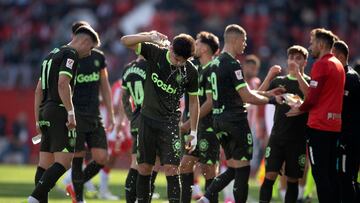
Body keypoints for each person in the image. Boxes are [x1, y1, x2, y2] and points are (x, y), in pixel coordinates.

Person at [197, 24, 284, 203]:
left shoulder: (213, 65)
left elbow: (238, 94)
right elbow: (245, 96)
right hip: (235, 122)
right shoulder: (232, 63)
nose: (245, 45)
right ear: (235, 40)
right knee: (243, 170)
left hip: (218, 121)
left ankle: (205, 199)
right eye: (244, 41)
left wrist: (267, 94)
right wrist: (272, 100)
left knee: (234, 168)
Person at [121, 31, 200, 203]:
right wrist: (149, 36)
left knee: (172, 169)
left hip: (170, 124)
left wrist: (194, 131)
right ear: (170, 48)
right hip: (147, 120)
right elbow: (125, 41)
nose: (178, 63)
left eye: (182, 61)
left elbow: (194, 102)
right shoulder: (155, 53)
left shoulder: (191, 72)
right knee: (144, 168)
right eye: (176, 58)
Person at [29, 24, 100, 203]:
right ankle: (35, 198)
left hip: (45, 111)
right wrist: (70, 112)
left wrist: (38, 120)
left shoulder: (51, 54)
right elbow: (63, 83)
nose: (90, 53)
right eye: (91, 47)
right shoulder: (71, 54)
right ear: (83, 41)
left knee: (44, 164)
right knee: (64, 162)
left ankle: (38, 200)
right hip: (59, 111)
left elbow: (38, 90)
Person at [286, 28, 344, 203]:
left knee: (319, 173)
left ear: (320, 44)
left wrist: (299, 108)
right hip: (334, 126)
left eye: (312, 43)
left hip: (319, 126)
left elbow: (312, 98)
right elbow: (318, 93)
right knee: (330, 173)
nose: (310, 46)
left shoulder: (321, 64)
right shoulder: (338, 64)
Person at [63, 21, 114, 203]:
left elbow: (105, 86)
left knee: (102, 158)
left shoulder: (98, 58)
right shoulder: (68, 58)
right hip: (76, 116)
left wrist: (111, 113)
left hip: (94, 115)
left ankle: (74, 185)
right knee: (78, 159)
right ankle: (79, 198)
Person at [258, 45, 310, 203]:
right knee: (270, 176)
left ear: (305, 62)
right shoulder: (279, 81)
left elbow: (311, 98)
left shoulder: (309, 82)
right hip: (277, 138)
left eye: (298, 58)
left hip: (298, 139)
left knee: (292, 180)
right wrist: (269, 76)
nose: (294, 61)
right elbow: (256, 96)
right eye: (291, 57)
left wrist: (299, 75)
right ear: (287, 60)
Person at [179, 31, 220, 203]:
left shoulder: (213, 69)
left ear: (204, 48)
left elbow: (210, 102)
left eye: (197, 42)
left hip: (208, 127)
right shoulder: (194, 68)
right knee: (185, 166)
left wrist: (188, 123)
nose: (194, 45)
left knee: (209, 170)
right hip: (194, 127)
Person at [121, 55, 161, 203]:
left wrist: (131, 117)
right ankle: (144, 199)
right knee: (153, 164)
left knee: (135, 163)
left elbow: (124, 97)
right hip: (151, 118)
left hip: (137, 118)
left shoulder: (128, 69)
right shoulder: (151, 67)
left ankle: (132, 200)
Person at [332, 40, 360, 203]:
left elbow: (345, 108)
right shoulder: (344, 75)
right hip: (346, 135)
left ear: (340, 56)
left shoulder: (349, 77)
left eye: (332, 55)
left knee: (346, 177)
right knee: (343, 177)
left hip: (349, 137)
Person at [242, 54, 267, 177]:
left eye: (254, 68)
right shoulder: (238, 81)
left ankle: (245, 180)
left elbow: (261, 106)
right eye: (249, 67)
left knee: (252, 156)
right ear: (244, 67)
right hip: (238, 123)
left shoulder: (257, 83)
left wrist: (261, 127)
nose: (251, 70)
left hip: (253, 127)